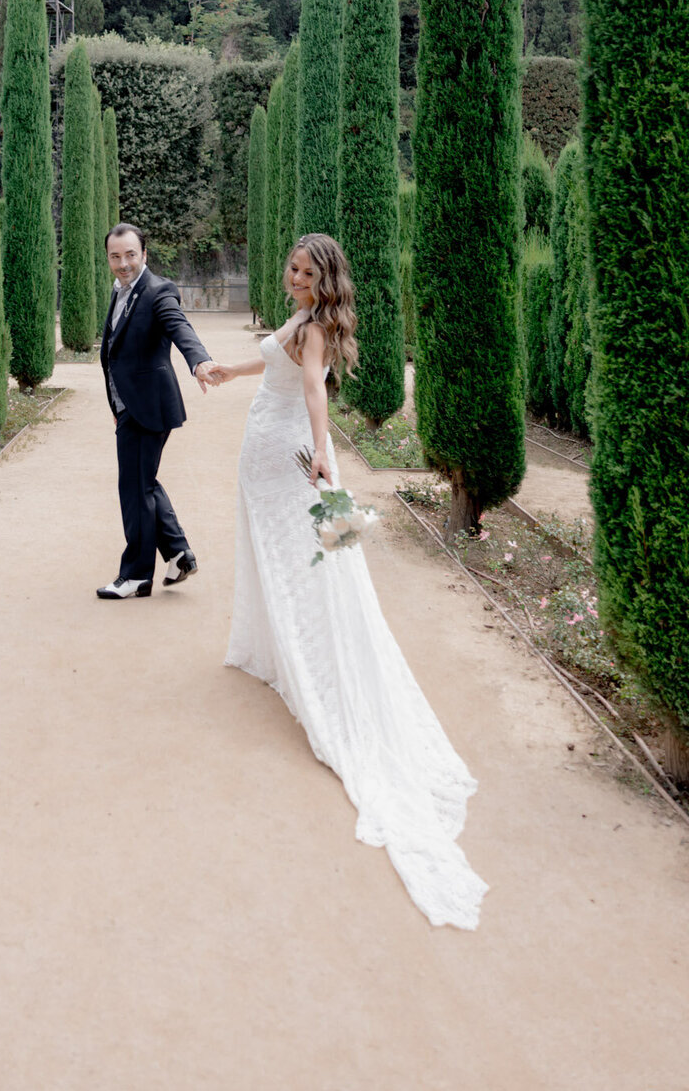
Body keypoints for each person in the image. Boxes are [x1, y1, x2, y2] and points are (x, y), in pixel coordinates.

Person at [211, 232, 488, 929]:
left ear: (323, 278)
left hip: (288, 452)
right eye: (291, 266)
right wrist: (227, 371)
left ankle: (309, 661)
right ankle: (278, 648)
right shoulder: (300, 320)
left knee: (300, 557)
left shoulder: (315, 331)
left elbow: (310, 388)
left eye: (304, 270)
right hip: (271, 442)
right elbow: (272, 361)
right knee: (280, 553)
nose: (292, 274)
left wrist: (322, 457)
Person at [96, 222, 221, 600]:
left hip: (147, 405)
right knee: (143, 481)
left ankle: (136, 575)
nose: (123, 263)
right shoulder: (120, 290)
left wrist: (199, 361)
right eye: (115, 256)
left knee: (134, 488)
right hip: (130, 404)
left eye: (131, 254)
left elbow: (178, 326)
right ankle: (179, 553)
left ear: (144, 255)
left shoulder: (157, 290)